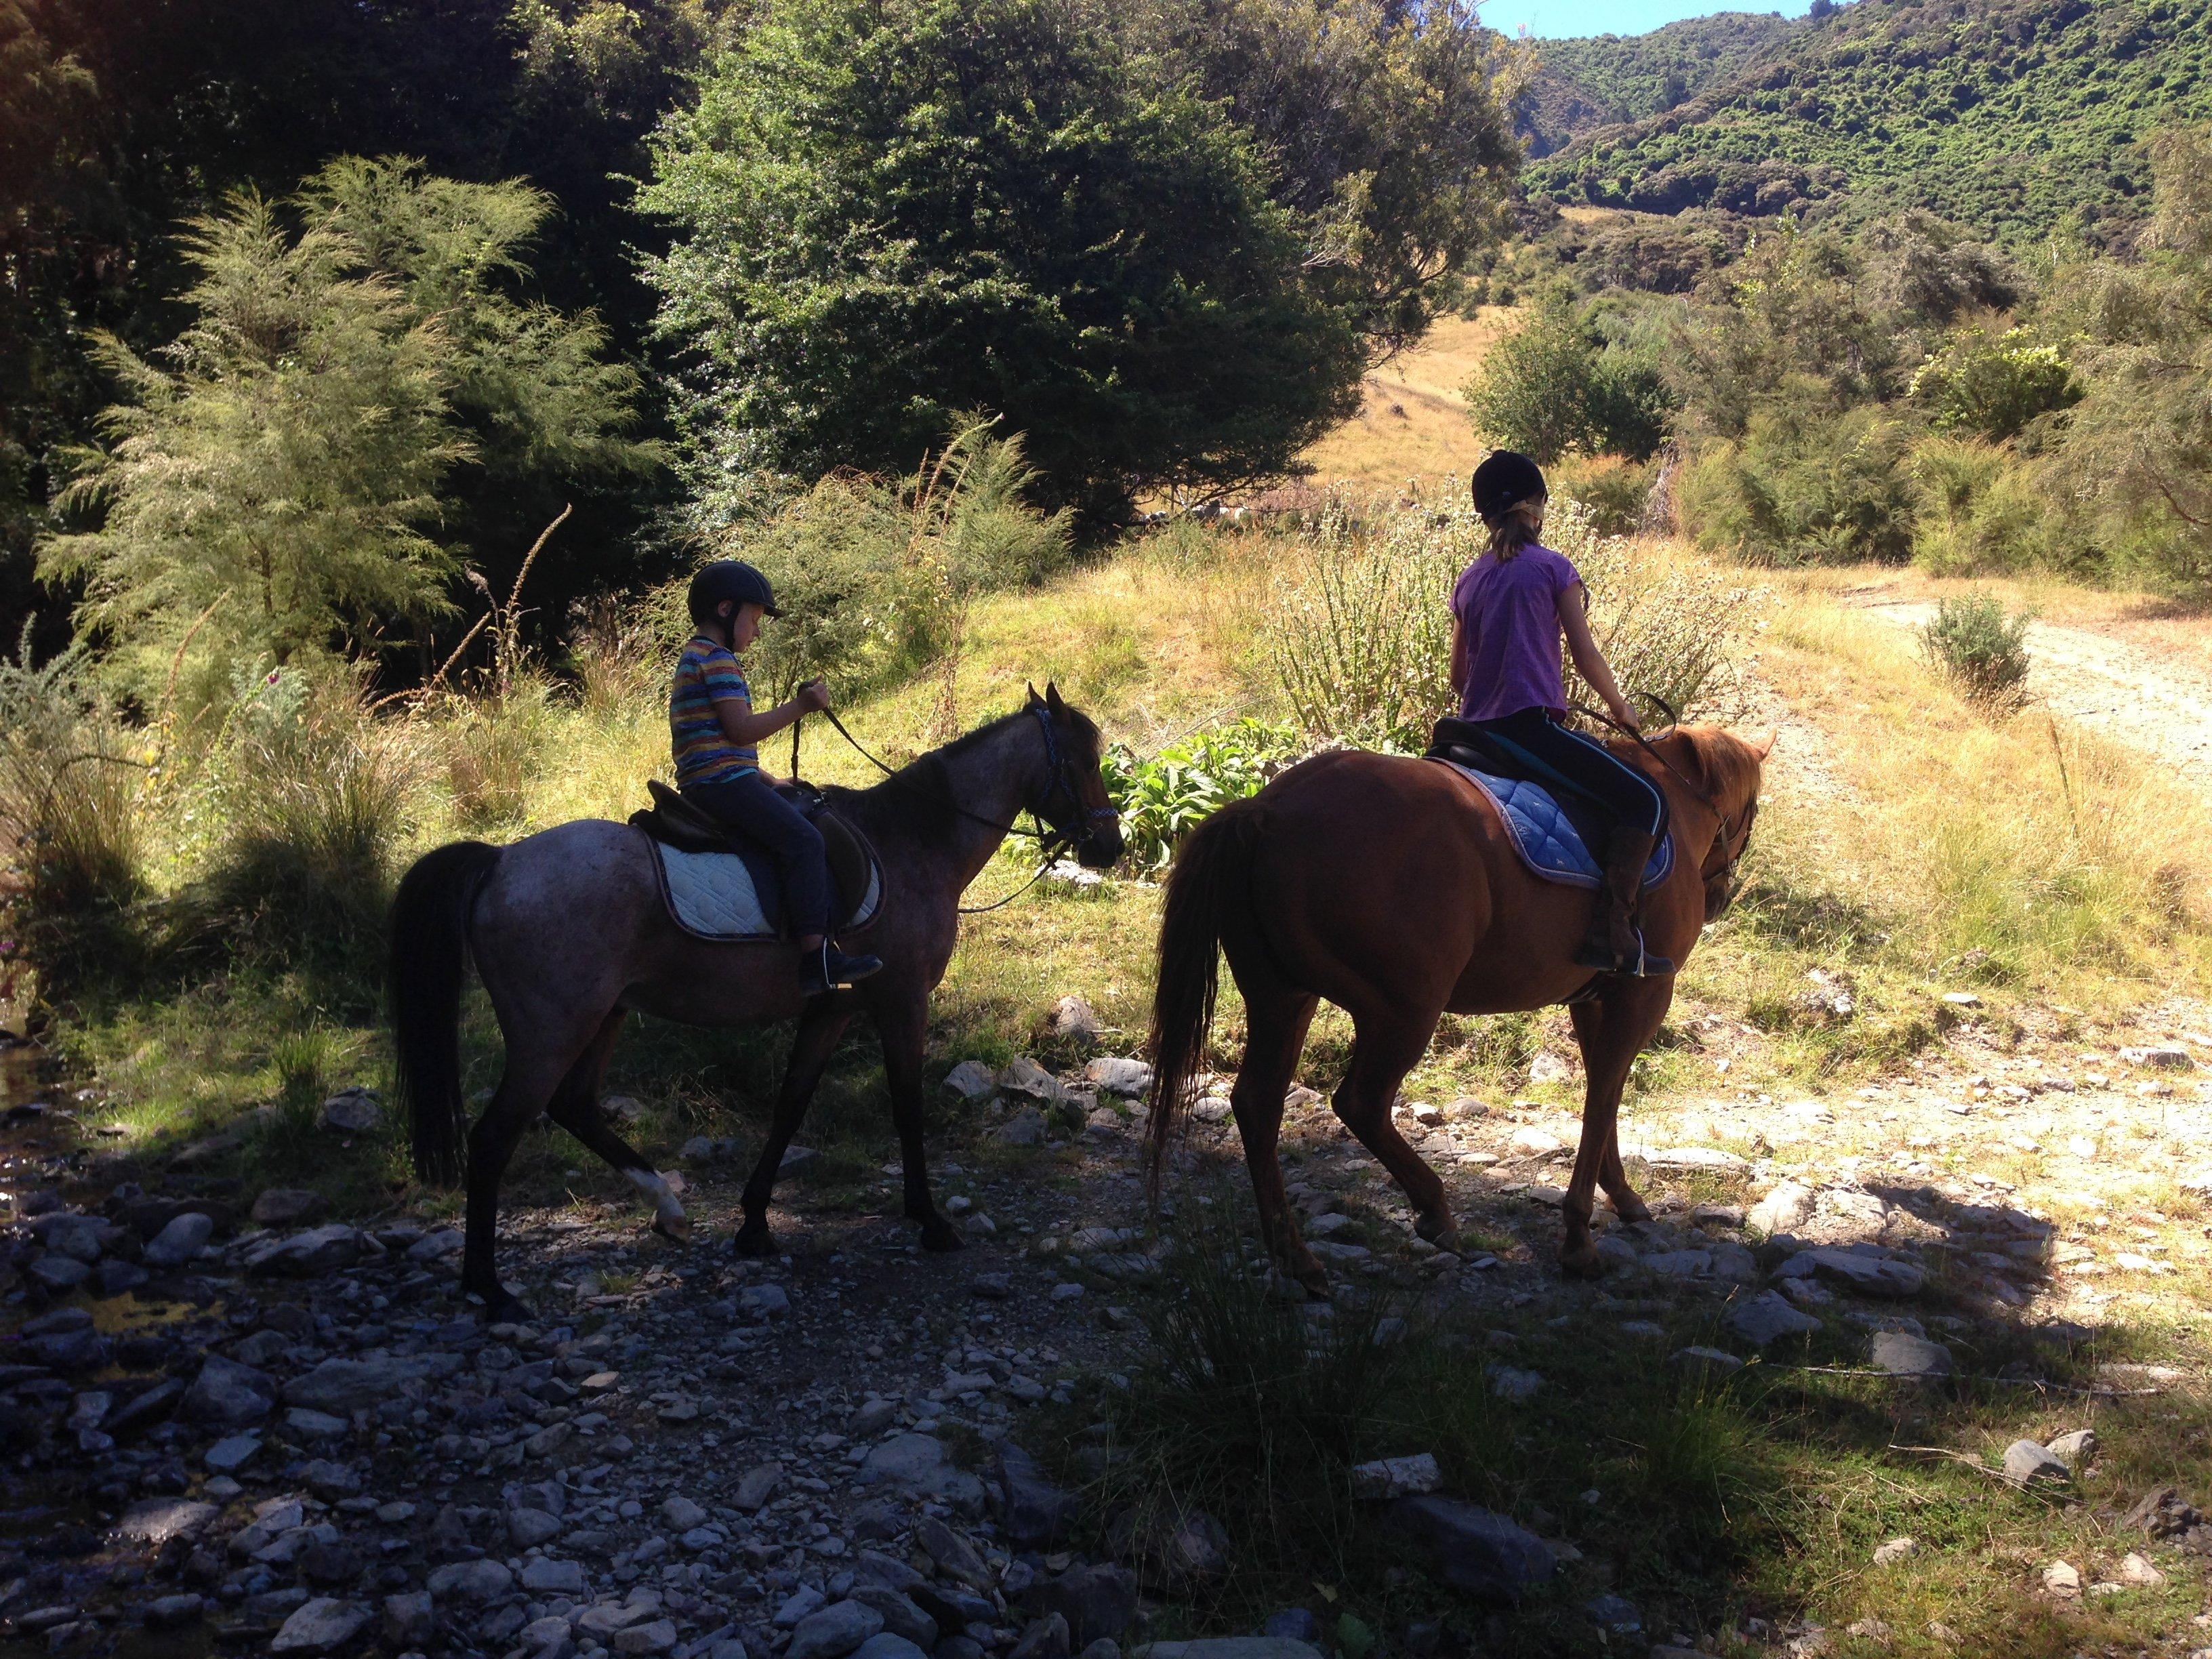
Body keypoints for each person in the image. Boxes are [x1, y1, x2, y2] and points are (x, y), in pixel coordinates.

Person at [1448, 452, 1672, 976]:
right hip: (1526, 729)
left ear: (1487, 515)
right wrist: (1622, 709)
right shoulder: (1553, 568)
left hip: (1467, 732)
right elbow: (1585, 654)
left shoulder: (1470, 579)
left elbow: (1458, 677)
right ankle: (1613, 934)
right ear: (1534, 509)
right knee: (1647, 801)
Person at [673, 560, 882, 994]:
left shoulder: (695, 656)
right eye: (753, 619)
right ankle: (816, 960)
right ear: (726, 610)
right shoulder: (718, 660)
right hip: (721, 786)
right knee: (805, 840)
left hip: (715, 779)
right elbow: (741, 731)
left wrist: (770, 783)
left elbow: (722, 749)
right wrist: (801, 707)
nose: (757, 629)